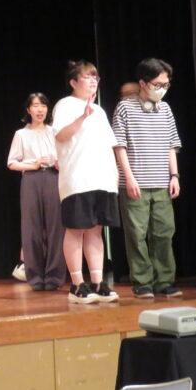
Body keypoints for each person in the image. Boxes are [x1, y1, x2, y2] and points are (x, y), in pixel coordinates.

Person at [112, 57, 183, 299]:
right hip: (135, 183)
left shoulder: (166, 109)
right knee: (136, 234)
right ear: (143, 83)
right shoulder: (124, 108)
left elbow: (172, 145)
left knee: (164, 233)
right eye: (157, 84)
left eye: (166, 84)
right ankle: (142, 282)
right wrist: (129, 177)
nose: (162, 89)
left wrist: (174, 175)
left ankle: (165, 281)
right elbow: (119, 145)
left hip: (162, 182)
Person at [53, 60, 121, 305]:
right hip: (77, 179)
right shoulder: (65, 105)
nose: (93, 81)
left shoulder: (100, 111)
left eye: (96, 77)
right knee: (76, 229)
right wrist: (82, 116)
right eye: (87, 76)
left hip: (102, 178)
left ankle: (98, 282)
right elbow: (61, 135)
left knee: (96, 229)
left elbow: (109, 145)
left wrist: (114, 175)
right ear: (73, 82)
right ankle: (76, 284)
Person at [7, 93, 67, 292]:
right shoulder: (21, 134)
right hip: (31, 179)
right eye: (35, 106)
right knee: (31, 228)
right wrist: (32, 165)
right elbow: (12, 163)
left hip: (52, 177)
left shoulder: (54, 132)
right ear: (28, 110)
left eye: (43, 105)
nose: (40, 109)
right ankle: (34, 277)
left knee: (55, 227)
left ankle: (54, 276)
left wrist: (59, 163)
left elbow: (64, 156)